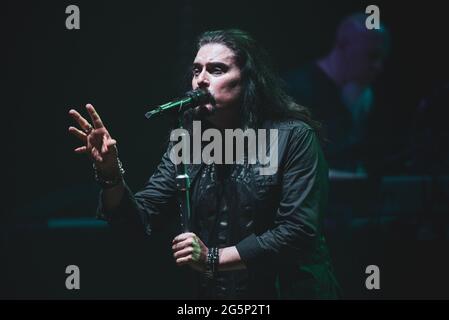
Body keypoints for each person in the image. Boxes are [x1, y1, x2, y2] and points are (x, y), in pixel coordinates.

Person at [68, 29, 339, 299]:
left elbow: (298, 231)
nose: (201, 80)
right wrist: (111, 176)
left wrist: (213, 258)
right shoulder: (190, 143)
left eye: (217, 70)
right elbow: (139, 222)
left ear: (248, 80)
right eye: (197, 70)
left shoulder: (293, 137)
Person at [284, 13, 390, 175]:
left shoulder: (362, 94)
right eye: (371, 56)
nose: (378, 66)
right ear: (343, 45)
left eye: (382, 58)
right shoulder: (295, 90)